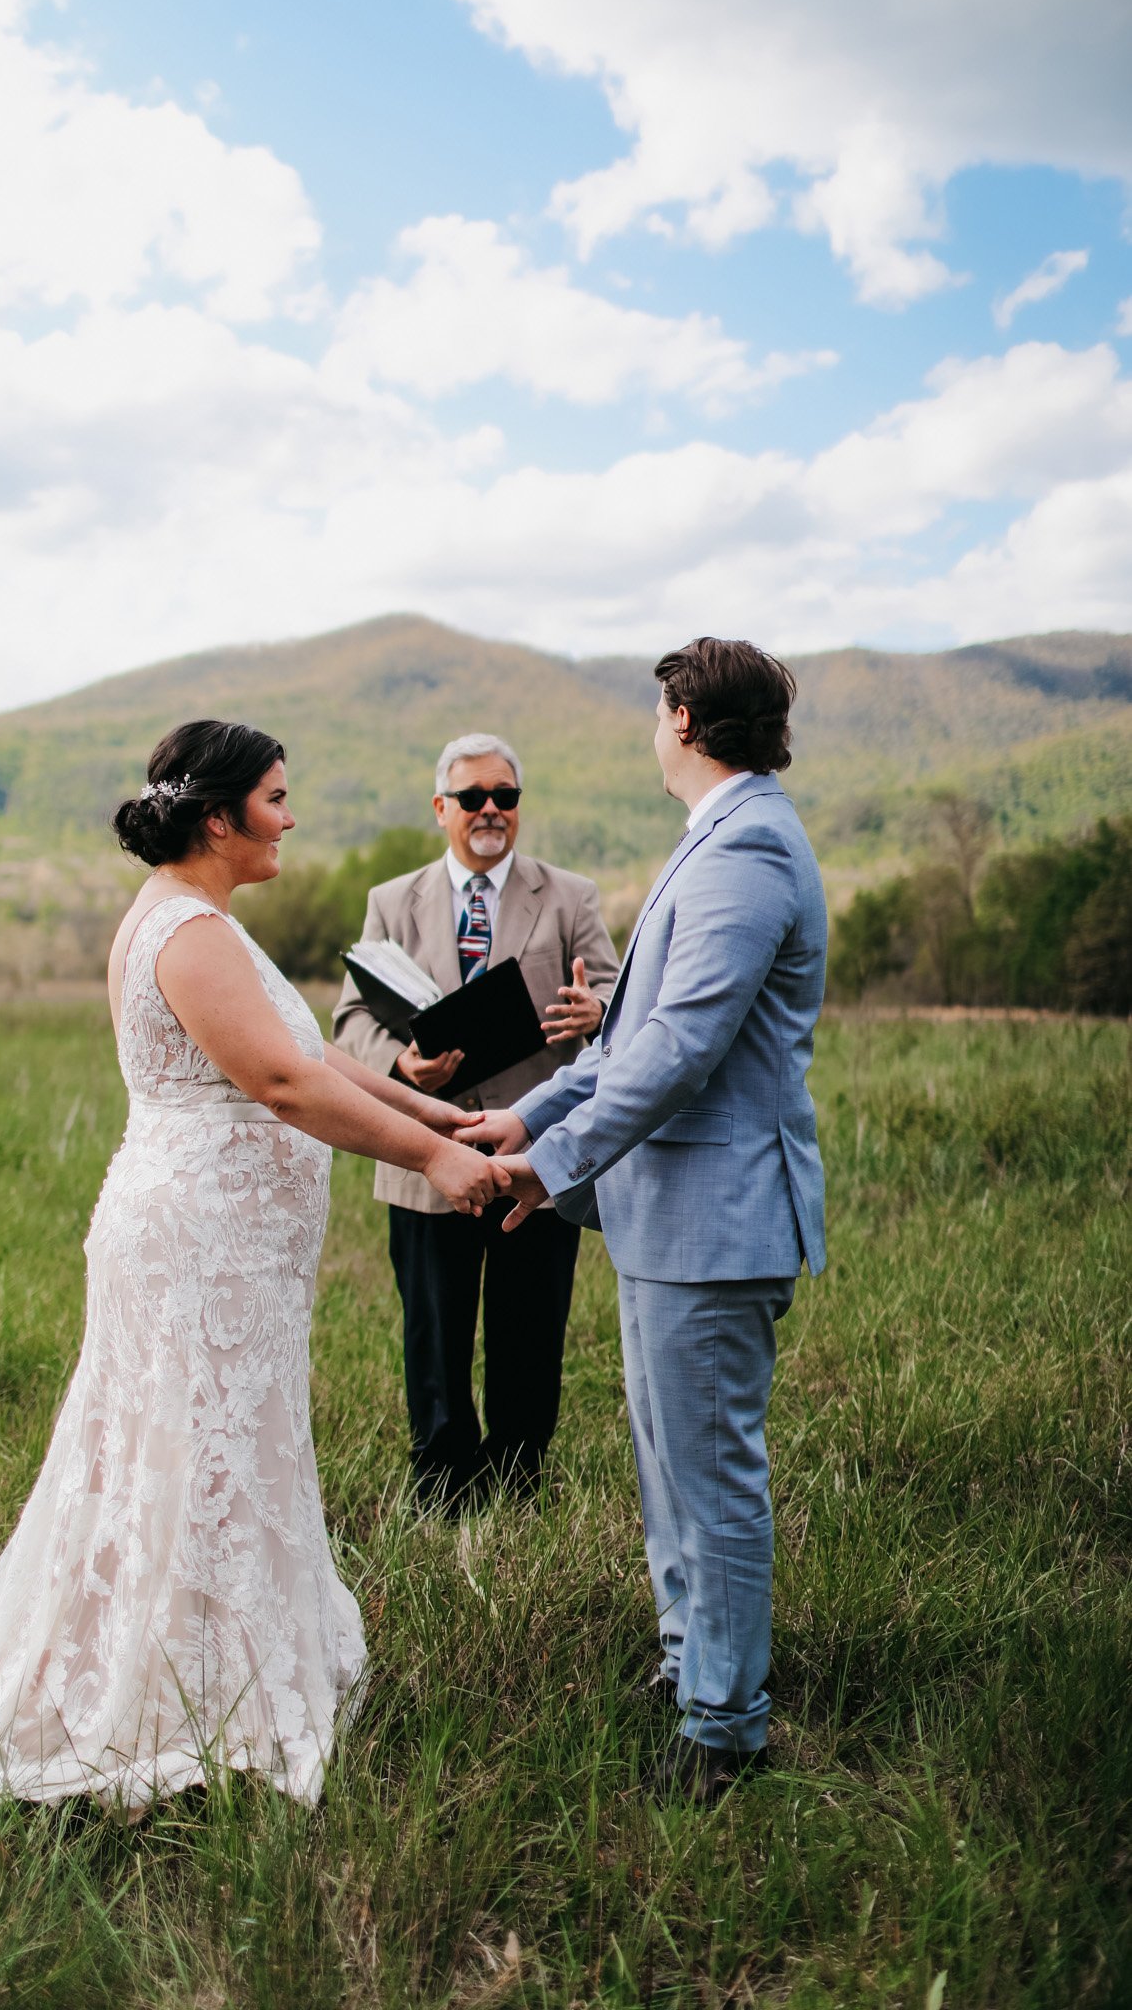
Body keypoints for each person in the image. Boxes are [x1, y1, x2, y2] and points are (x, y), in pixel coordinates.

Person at [0, 719, 505, 1948]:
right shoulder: (188, 931)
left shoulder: (197, 917)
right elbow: (284, 1087)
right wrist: (438, 1158)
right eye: (276, 797)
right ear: (218, 815)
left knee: (202, 1444)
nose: (288, 816)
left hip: (225, 1250)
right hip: (195, 1247)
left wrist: (438, 1111)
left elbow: (318, 1055)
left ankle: (202, 1639)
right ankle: (171, 1676)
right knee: (182, 1442)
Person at [465, 640, 827, 1803]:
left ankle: (724, 1730)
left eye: (652, 711)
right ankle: (690, 1665)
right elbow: (625, 1042)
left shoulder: (752, 844)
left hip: (718, 1219)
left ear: (681, 718)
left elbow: (678, 1049)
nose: (649, 727)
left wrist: (551, 1160)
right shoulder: (717, 837)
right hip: (669, 1216)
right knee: (669, 1466)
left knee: (710, 1473)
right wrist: (517, 1124)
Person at [333, 733, 619, 1511]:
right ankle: (441, 1490)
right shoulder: (391, 901)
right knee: (434, 1333)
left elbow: (627, 1009)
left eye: (505, 796)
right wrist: (401, 1067)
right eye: (472, 798)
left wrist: (597, 1011)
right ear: (441, 809)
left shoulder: (571, 896)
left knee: (529, 1332)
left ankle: (520, 1484)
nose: (490, 810)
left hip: (536, 1157)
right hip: (423, 1150)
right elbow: (350, 1018)